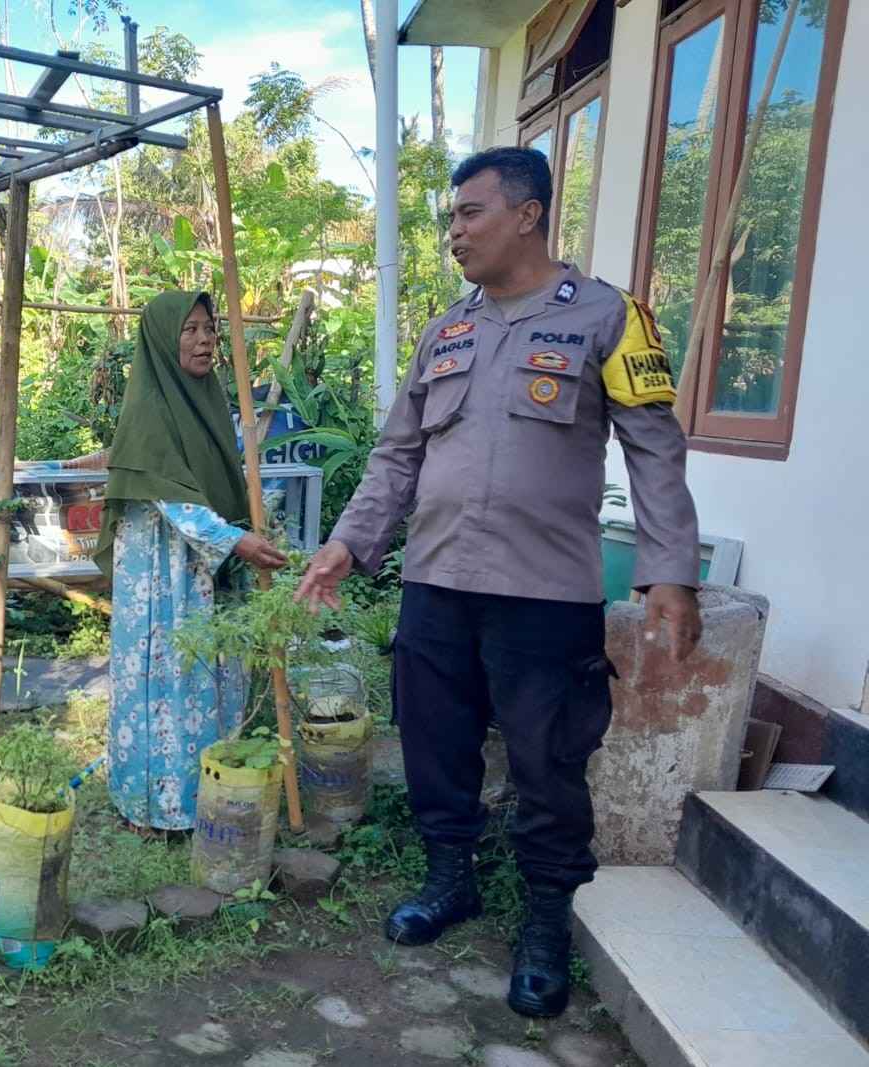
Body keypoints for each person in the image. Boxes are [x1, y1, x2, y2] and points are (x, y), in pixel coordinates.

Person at [295, 147, 703, 1018]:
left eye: (469, 214)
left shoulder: (608, 317)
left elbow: (655, 448)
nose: (454, 234)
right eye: (451, 218)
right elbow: (397, 455)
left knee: (548, 761)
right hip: (437, 581)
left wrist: (672, 571)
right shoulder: (446, 331)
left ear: (527, 214)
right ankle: (452, 880)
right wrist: (346, 544)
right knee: (435, 744)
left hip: (544, 594)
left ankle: (548, 920)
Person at [52, 292, 288, 837]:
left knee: (213, 672)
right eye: (190, 330)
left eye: (209, 329)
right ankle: (160, 805)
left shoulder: (205, 400)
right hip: (164, 570)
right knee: (169, 676)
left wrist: (250, 529)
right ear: (163, 340)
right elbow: (173, 501)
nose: (205, 340)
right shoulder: (151, 412)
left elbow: (221, 481)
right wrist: (235, 540)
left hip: (208, 564)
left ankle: (215, 790)